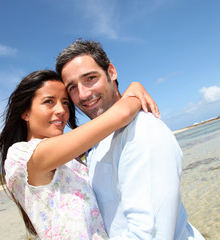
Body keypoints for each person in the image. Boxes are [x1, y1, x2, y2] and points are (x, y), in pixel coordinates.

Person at [55, 39, 205, 239]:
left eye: (90, 78)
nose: (83, 94)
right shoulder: (96, 141)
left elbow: (150, 233)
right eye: (72, 87)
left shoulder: (142, 131)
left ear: (112, 72)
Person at [0, 70, 158, 239]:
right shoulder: (22, 155)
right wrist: (135, 91)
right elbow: (122, 114)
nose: (61, 110)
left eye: (65, 102)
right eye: (49, 101)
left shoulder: (71, 161)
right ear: (25, 112)